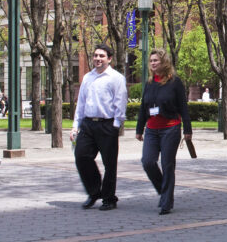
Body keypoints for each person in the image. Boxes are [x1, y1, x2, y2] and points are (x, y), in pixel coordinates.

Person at [71, 44, 128, 211]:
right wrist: (76, 126)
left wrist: (116, 125)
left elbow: (120, 103)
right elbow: (81, 103)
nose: (97, 58)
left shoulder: (116, 78)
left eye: (101, 56)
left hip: (107, 125)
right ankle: (94, 192)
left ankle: (109, 198)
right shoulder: (87, 77)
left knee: (109, 164)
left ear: (109, 59)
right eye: (96, 55)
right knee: (81, 156)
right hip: (88, 124)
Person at [135, 49, 191, 215]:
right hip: (152, 130)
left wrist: (187, 129)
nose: (152, 63)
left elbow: (183, 107)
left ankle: (166, 202)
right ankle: (163, 191)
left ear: (164, 62)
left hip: (170, 128)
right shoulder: (149, 83)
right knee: (148, 162)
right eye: (151, 61)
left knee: (167, 165)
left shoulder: (175, 82)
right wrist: (139, 129)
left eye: (156, 61)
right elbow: (143, 107)